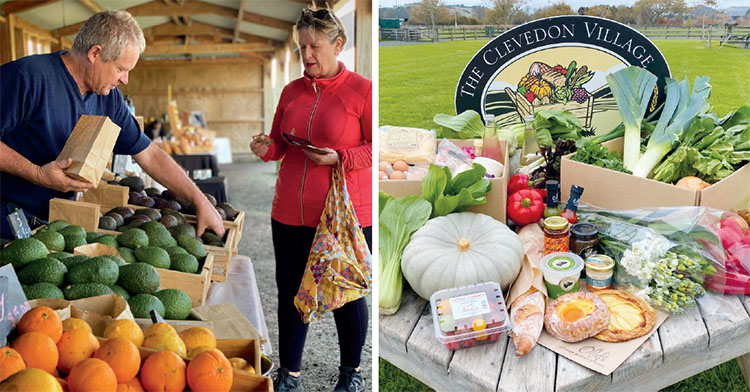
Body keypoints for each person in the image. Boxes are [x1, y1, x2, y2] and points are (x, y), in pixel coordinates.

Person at [0, 10, 224, 239]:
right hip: (6, 218)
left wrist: (199, 201)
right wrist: (38, 174)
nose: (125, 80)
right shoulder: (26, 77)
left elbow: (149, 154)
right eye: (120, 69)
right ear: (95, 53)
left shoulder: (108, 98)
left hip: (55, 222)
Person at [249, 7, 371, 392]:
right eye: (301, 47)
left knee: (345, 293)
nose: (306, 55)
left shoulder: (363, 91)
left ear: (338, 44)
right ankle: (291, 375)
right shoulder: (291, 91)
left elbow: (377, 148)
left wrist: (342, 157)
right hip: (288, 210)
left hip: (342, 215)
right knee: (290, 292)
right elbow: (280, 145)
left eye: (314, 46)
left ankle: (350, 374)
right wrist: (264, 148)